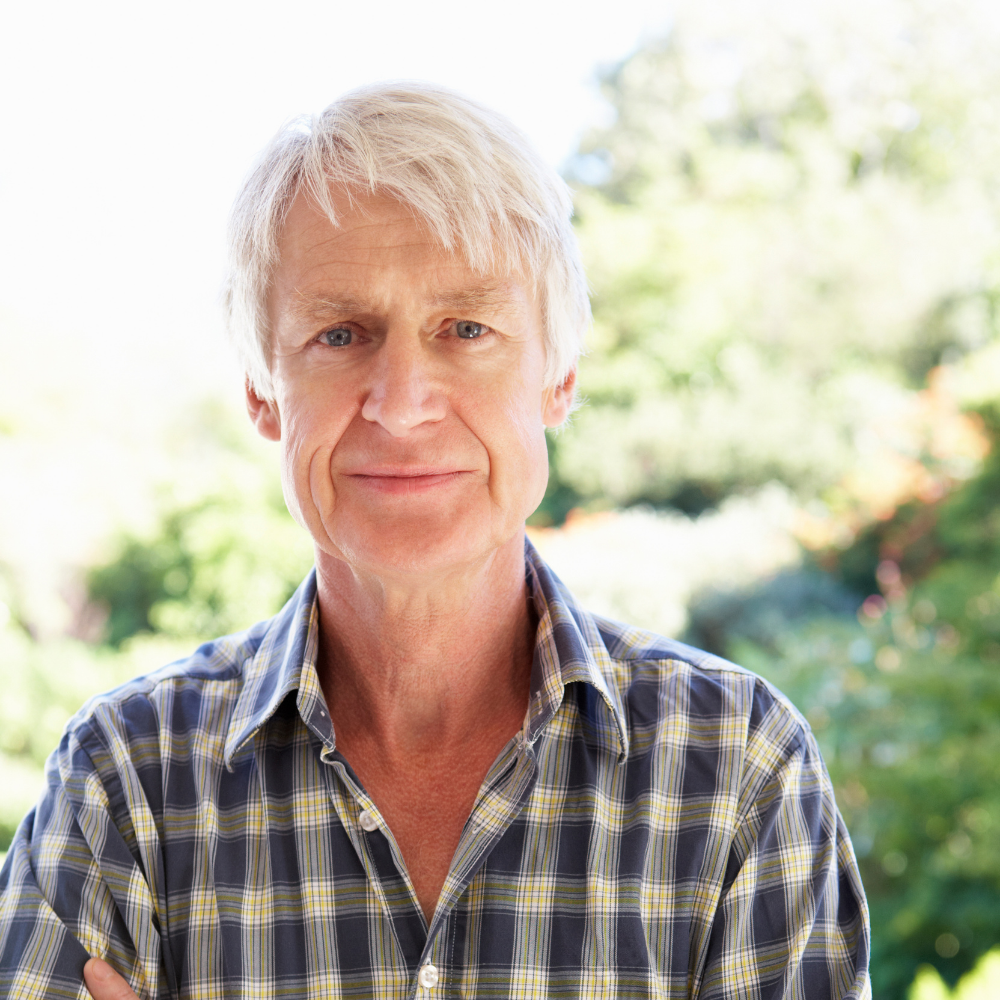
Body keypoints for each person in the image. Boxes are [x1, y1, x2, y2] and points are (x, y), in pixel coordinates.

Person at [0, 83, 870, 999]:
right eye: (341, 334)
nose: (403, 404)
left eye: (467, 329)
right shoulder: (122, 782)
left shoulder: (740, 770)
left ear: (559, 377)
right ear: (262, 389)